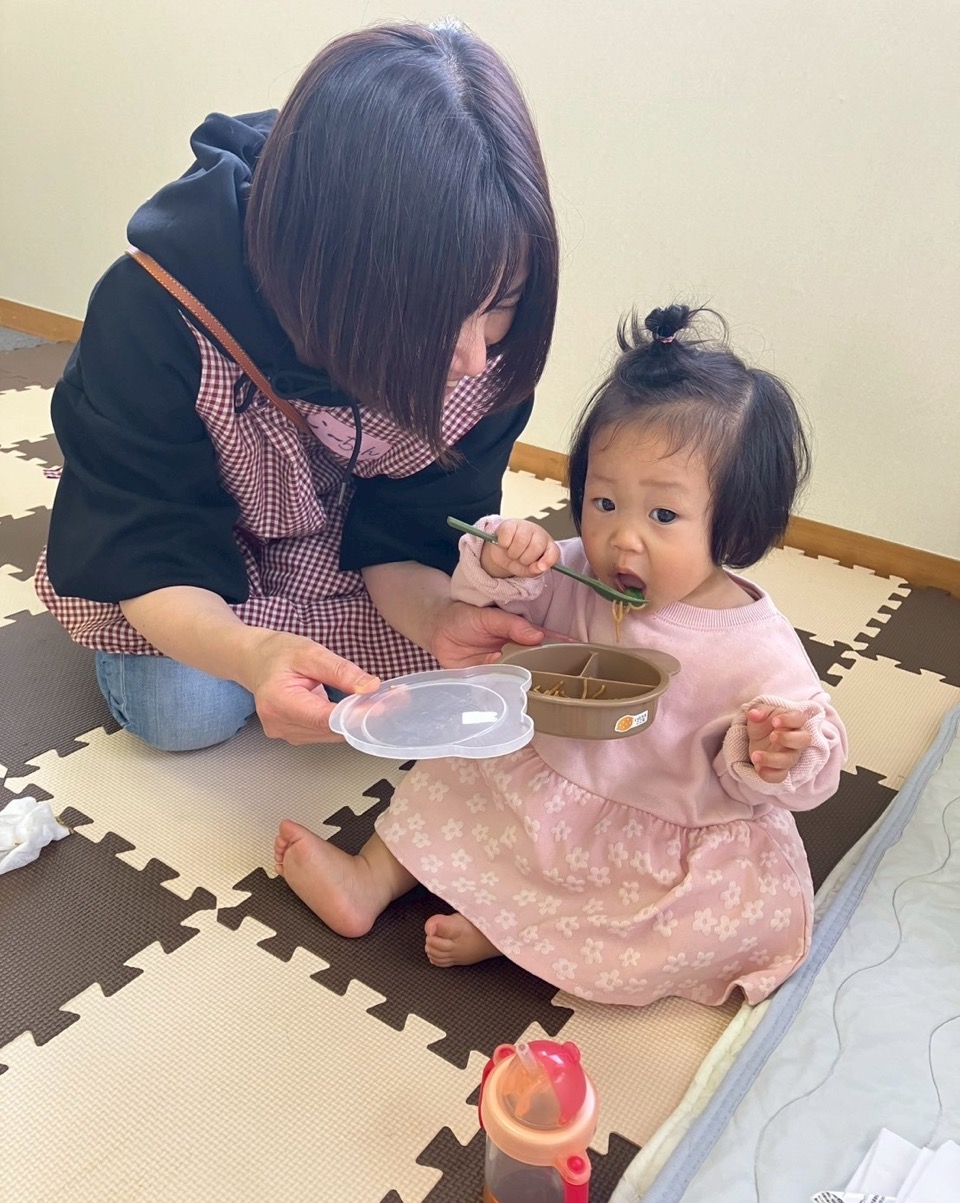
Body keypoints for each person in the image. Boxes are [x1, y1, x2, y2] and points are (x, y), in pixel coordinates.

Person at [273, 304, 848, 1008]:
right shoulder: (571, 569)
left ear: (736, 523)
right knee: (459, 769)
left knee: (725, 913)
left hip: (654, 827)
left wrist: (776, 750)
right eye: (604, 502)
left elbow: (805, 768)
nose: (623, 538)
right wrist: (499, 562)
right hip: (542, 784)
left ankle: (512, 930)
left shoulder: (753, 641)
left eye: (663, 515)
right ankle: (372, 877)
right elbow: (486, 610)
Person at [36, 21, 558, 751]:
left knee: (459, 654)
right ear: (334, 270)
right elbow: (151, 535)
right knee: (185, 712)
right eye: (435, 319)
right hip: (197, 545)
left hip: (336, 548)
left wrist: (439, 617)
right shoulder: (156, 307)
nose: (473, 358)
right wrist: (251, 655)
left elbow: (410, 531)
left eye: (500, 304)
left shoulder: (486, 354)